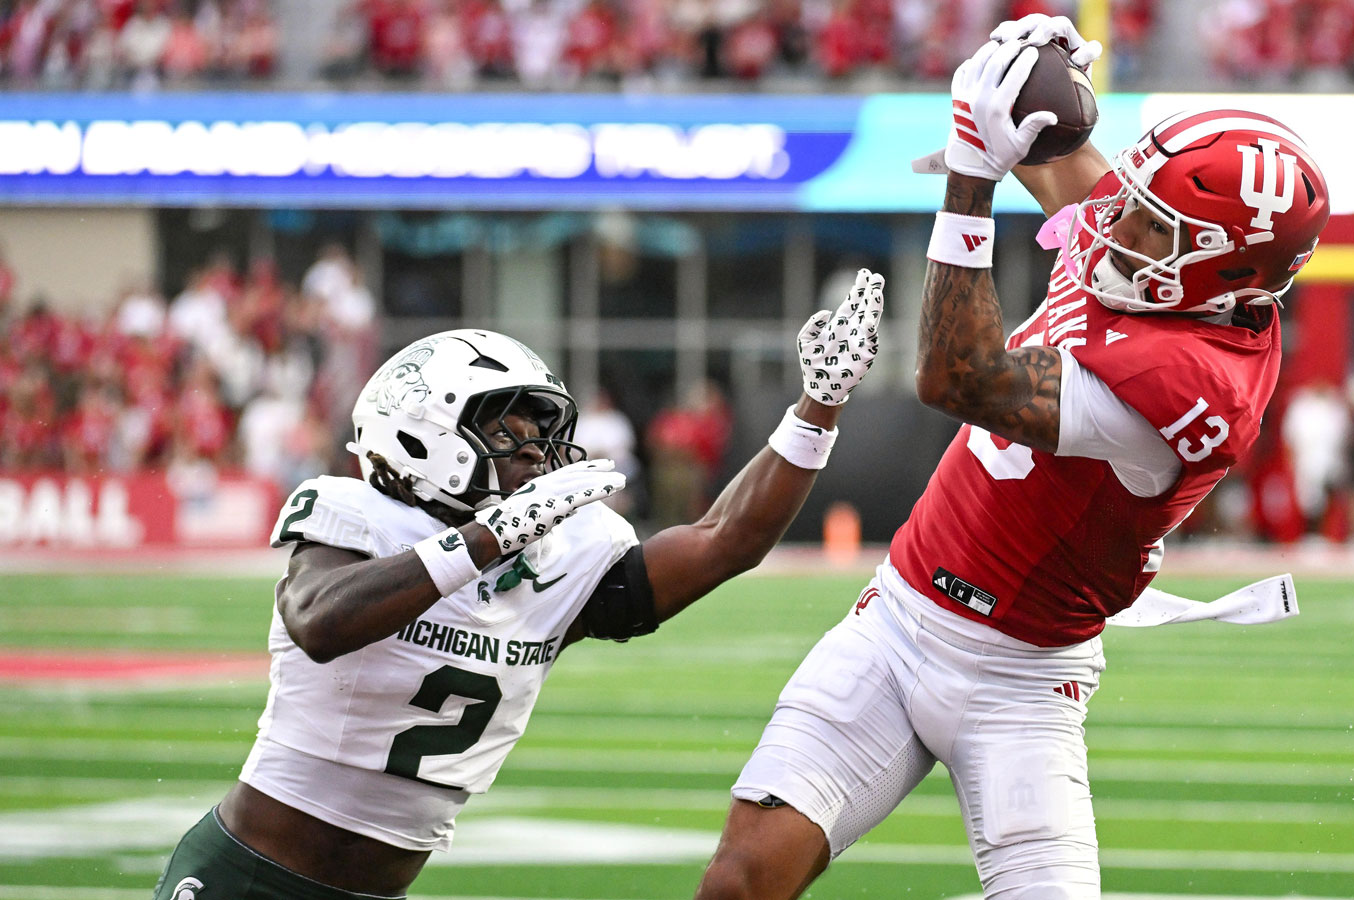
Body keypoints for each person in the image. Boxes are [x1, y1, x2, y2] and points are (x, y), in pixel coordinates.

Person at [696, 14, 1329, 900]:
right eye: (1135, 201)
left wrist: (970, 177)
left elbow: (958, 376)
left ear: (1228, 272)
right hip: (897, 619)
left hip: (1022, 679)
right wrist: (1008, 75)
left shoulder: (1193, 385)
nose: (1115, 223)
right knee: (739, 884)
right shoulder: (1155, 255)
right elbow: (1045, 154)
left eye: (1152, 226)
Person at [151, 270, 884, 900]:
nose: (536, 453)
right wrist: (484, 540)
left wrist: (816, 407)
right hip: (247, 877)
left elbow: (725, 540)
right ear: (422, 434)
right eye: (508, 432)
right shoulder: (355, 513)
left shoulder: (562, 555)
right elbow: (320, 622)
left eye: (540, 432)